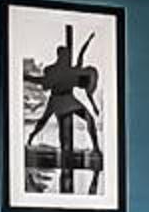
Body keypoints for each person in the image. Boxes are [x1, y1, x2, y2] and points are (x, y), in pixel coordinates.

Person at [26, 24, 104, 193]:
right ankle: (32, 138)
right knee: (45, 123)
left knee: (89, 118)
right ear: (61, 55)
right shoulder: (53, 69)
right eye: (65, 55)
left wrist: (88, 41)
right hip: (58, 101)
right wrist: (27, 78)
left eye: (68, 55)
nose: (67, 57)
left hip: (69, 99)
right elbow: (44, 83)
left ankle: (96, 147)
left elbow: (81, 56)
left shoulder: (71, 70)